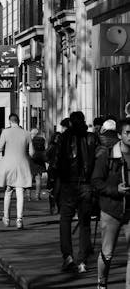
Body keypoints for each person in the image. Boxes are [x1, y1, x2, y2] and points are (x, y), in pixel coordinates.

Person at [48, 110, 96, 273]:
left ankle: (68, 256)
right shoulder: (90, 137)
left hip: (68, 183)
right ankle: (82, 259)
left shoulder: (64, 137)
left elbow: (55, 162)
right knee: (84, 223)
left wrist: (53, 181)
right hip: (85, 184)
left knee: (65, 220)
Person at [92, 119, 130, 289]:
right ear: (119, 135)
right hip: (111, 210)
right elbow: (97, 182)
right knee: (107, 252)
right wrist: (116, 191)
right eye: (127, 132)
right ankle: (102, 284)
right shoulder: (107, 156)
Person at [0, 113, 33, 229]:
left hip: (8, 165)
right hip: (22, 165)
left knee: (8, 191)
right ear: (18, 121)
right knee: (20, 192)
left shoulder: (5, 132)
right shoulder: (27, 133)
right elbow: (32, 153)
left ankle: (6, 218)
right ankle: (19, 219)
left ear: (10, 121)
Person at [29, 127, 46, 200]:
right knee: (38, 179)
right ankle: (37, 196)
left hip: (31, 161)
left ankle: (28, 195)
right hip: (40, 161)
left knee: (29, 179)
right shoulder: (42, 140)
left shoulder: (30, 141)